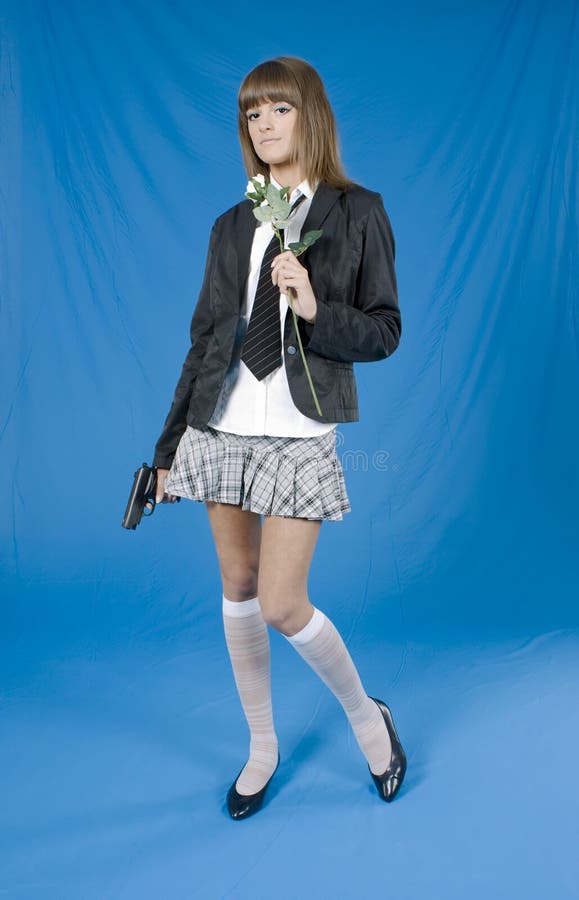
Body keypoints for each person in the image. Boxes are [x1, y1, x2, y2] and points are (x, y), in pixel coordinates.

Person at [149, 55, 406, 820]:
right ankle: (261, 747)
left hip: (297, 433)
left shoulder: (357, 210)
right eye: (251, 114)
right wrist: (167, 451)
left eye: (278, 110)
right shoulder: (231, 226)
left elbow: (386, 331)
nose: (262, 126)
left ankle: (367, 718)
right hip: (221, 428)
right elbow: (203, 341)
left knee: (282, 603)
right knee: (236, 590)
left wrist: (315, 307)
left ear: (310, 115)